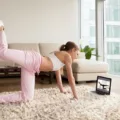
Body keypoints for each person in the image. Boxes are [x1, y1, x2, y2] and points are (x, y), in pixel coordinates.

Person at [0, 20, 79, 103]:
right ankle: (1, 26)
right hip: (33, 59)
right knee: (2, 52)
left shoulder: (61, 57)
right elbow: (71, 78)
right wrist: (75, 96)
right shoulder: (67, 56)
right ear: (73, 50)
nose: (77, 57)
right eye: (77, 53)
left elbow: (58, 76)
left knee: (27, 97)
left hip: (31, 68)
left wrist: (62, 89)